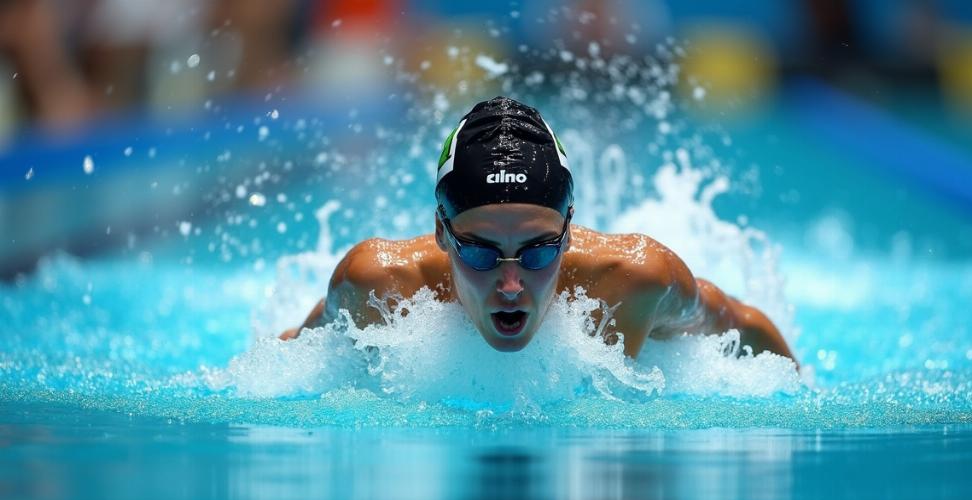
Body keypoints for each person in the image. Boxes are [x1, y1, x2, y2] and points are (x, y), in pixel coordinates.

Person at [281, 96, 795, 362]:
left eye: (537, 252)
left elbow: (741, 325)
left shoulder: (636, 281)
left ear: (569, 232)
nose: (510, 286)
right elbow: (295, 360)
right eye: (481, 253)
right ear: (441, 232)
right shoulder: (377, 286)